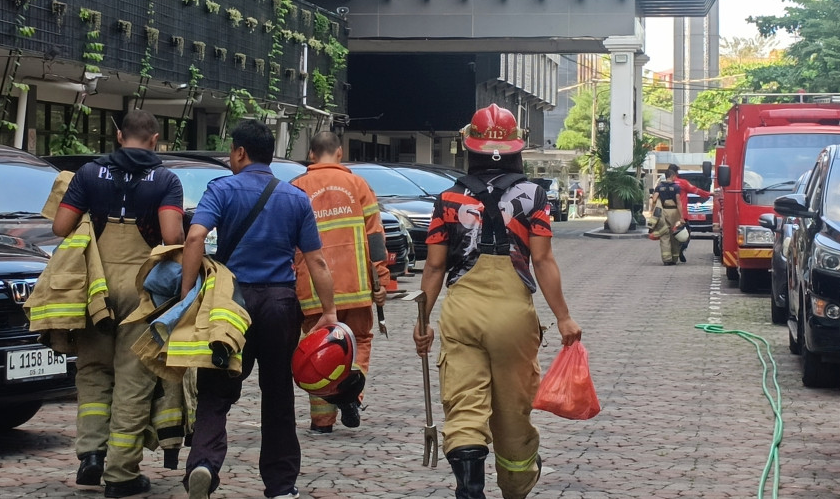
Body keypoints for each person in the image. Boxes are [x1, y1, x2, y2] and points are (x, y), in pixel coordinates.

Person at [412, 104, 583, 499]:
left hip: (462, 311)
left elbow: (435, 268)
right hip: (513, 315)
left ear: (469, 148)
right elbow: (542, 259)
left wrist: (423, 321)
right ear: (514, 149)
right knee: (511, 412)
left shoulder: (448, 199)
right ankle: (516, 485)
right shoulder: (535, 195)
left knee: (464, 404)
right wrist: (564, 318)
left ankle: (469, 488)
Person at [179, 120, 339, 499]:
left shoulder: (221, 189)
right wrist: (329, 313)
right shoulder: (295, 198)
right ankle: (281, 485)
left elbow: (195, 236)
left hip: (230, 305)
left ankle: (203, 462)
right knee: (279, 394)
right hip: (280, 305)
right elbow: (316, 262)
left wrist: (186, 295)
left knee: (216, 389)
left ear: (239, 152)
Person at [52, 110, 185, 498]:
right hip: (143, 287)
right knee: (134, 376)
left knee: (93, 369)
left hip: (94, 284)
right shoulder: (165, 179)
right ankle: (121, 473)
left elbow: (61, 227)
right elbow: (171, 235)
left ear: (117, 136)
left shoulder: (90, 174)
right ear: (155, 140)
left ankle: (90, 456)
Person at [292, 131, 390, 434]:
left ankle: (322, 421)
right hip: (357, 284)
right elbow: (375, 238)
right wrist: (381, 279)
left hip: (313, 288)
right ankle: (351, 393)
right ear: (340, 152)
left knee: (317, 348)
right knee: (359, 340)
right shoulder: (358, 185)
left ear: (311, 155)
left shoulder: (296, 187)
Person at [650, 163, 711, 265]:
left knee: (665, 236)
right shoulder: (680, 185)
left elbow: (654, 199)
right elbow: (684, 199)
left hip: (663, 213)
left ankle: (666, 259)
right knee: (678, 235)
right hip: (676, 213)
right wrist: (681, 216)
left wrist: (654, 211)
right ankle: (676, 256)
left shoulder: (660, 186)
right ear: (674, 174)